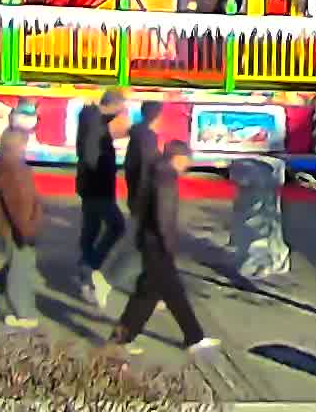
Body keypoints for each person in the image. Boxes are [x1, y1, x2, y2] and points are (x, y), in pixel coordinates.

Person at [107, 100, 216, 354]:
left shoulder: (157, 170)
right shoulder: (166, 178)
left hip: (150, 239)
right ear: (178, 158)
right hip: (157, 243)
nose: (187, 167)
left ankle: (123, 337)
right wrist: (168, 246)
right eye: (186, 161)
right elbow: (163, 215)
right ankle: (194, 338)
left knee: (148, 294)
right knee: (170, 292)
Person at [0, 119, 44, 327]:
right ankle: (21, 313)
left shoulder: (8, 162)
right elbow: (16, 203)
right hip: (15, 226)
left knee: (18, 263)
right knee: (20, 268)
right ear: (18, 144)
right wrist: (25, 230)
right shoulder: (10, 167)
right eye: (25, 143)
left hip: (16, 223)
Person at [74, 89, 130, 310]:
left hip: (90, 186)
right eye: (122, 107)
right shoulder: (95, 126)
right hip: (97, 187)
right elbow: (90, 156)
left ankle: (85, 271)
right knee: (117, 226)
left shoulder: (92, 116)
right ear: (115, 106)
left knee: (91, 229)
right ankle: (90, 268)